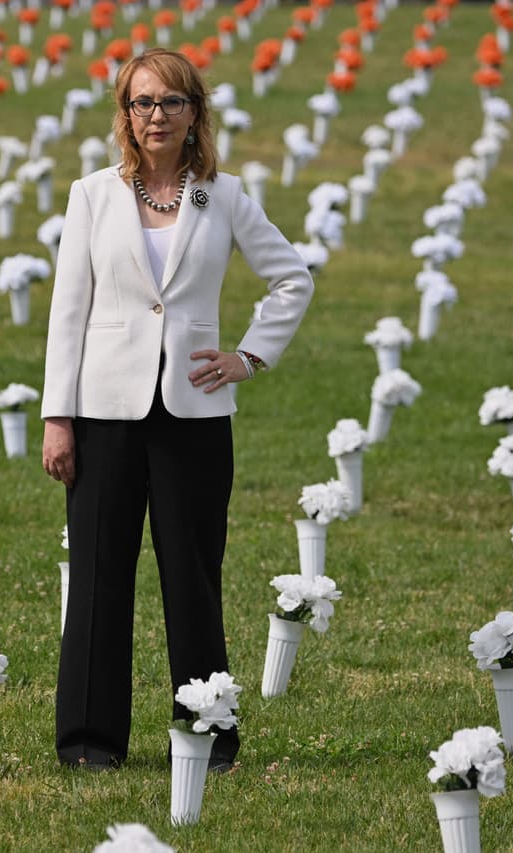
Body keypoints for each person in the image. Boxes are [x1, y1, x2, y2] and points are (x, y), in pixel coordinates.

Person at [40, 48, 314, 770]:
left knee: (193, 579)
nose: (155, 115)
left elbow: (292, 278)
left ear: (195, 112)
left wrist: (248, 356)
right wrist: (57, 416)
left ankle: (208, 735)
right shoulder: (92, 195)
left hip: (195, 415)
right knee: (97, 576)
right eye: (142, 102)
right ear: (125, 115)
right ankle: (89, 743)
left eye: (171, 102)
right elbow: (67, 312)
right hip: (103, 414)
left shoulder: (224, 196)